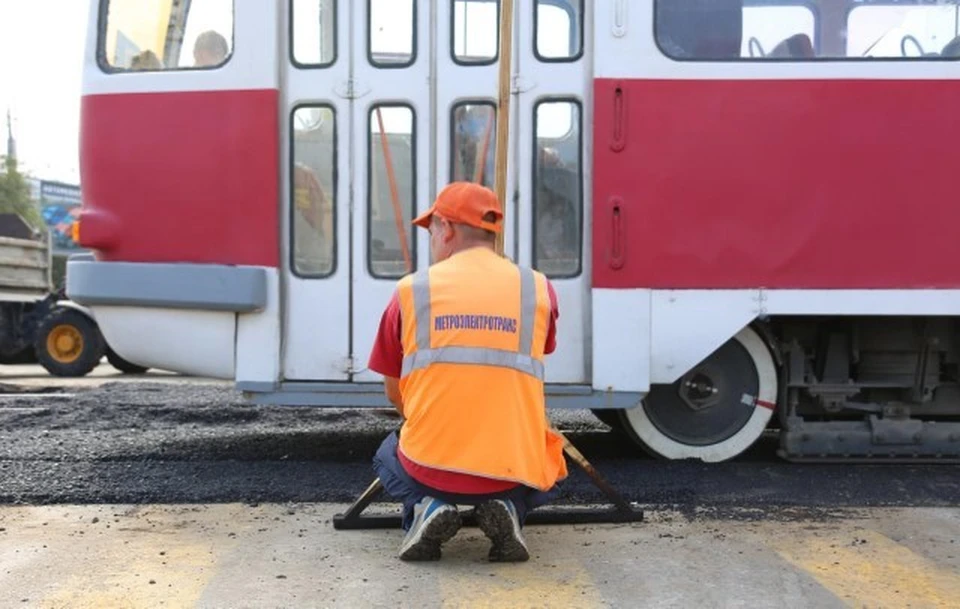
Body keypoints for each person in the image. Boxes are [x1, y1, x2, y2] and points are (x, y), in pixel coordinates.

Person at [368, 181, 568, 562]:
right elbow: (538, 353)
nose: (431, 240)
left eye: (431, 231)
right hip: (512, 468)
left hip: (429, 466)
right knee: (549, 455)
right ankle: (510, 508)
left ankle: (425, 507)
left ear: (446, 228)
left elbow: (393, 391)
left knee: (386, 452)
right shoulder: (538, 288)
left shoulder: (412, 290)